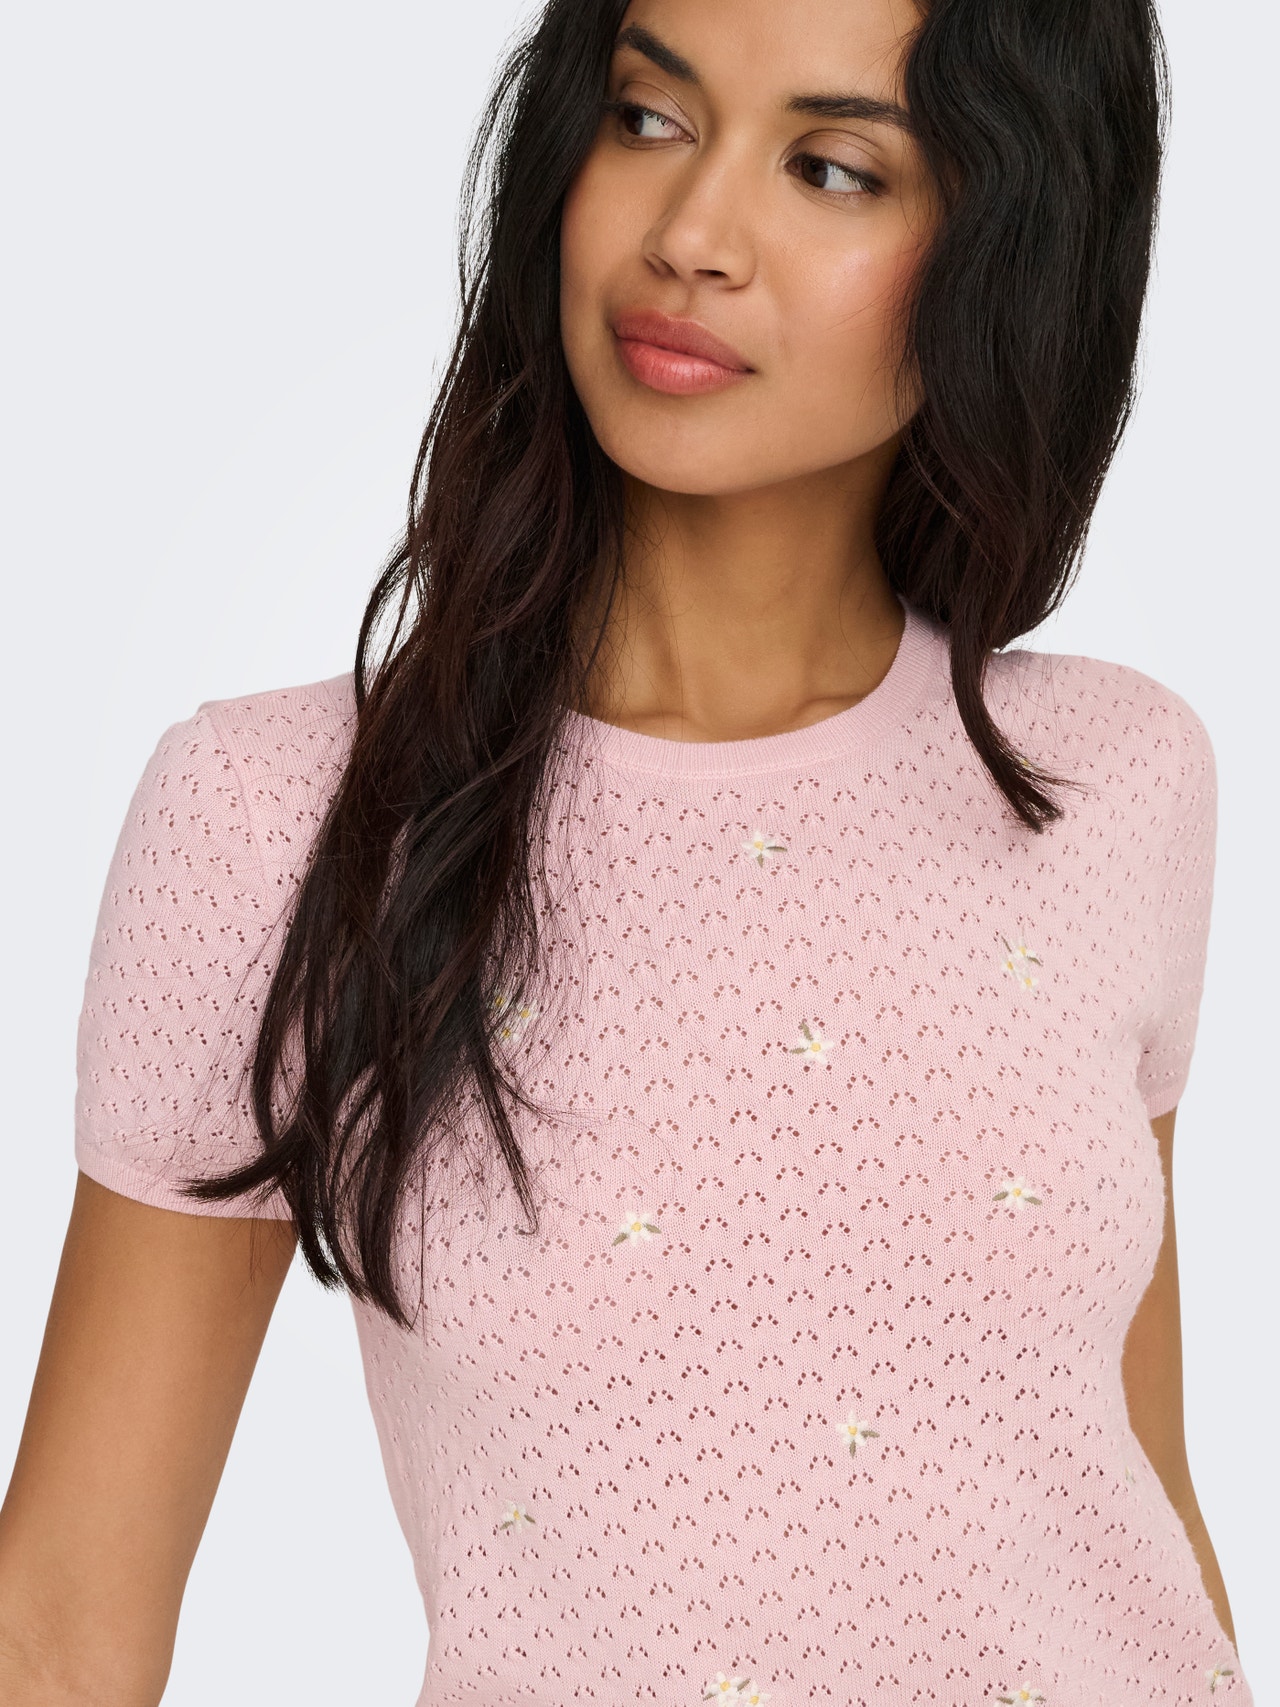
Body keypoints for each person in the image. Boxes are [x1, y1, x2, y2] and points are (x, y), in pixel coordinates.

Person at [0, 0, 1253, 1700]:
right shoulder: (284, 821)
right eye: (648, 119)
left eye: (833, 167)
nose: (691, 237)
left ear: (1012, 250)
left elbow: (1139, 1503)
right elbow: (63, 1618)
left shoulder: (1110, 779)